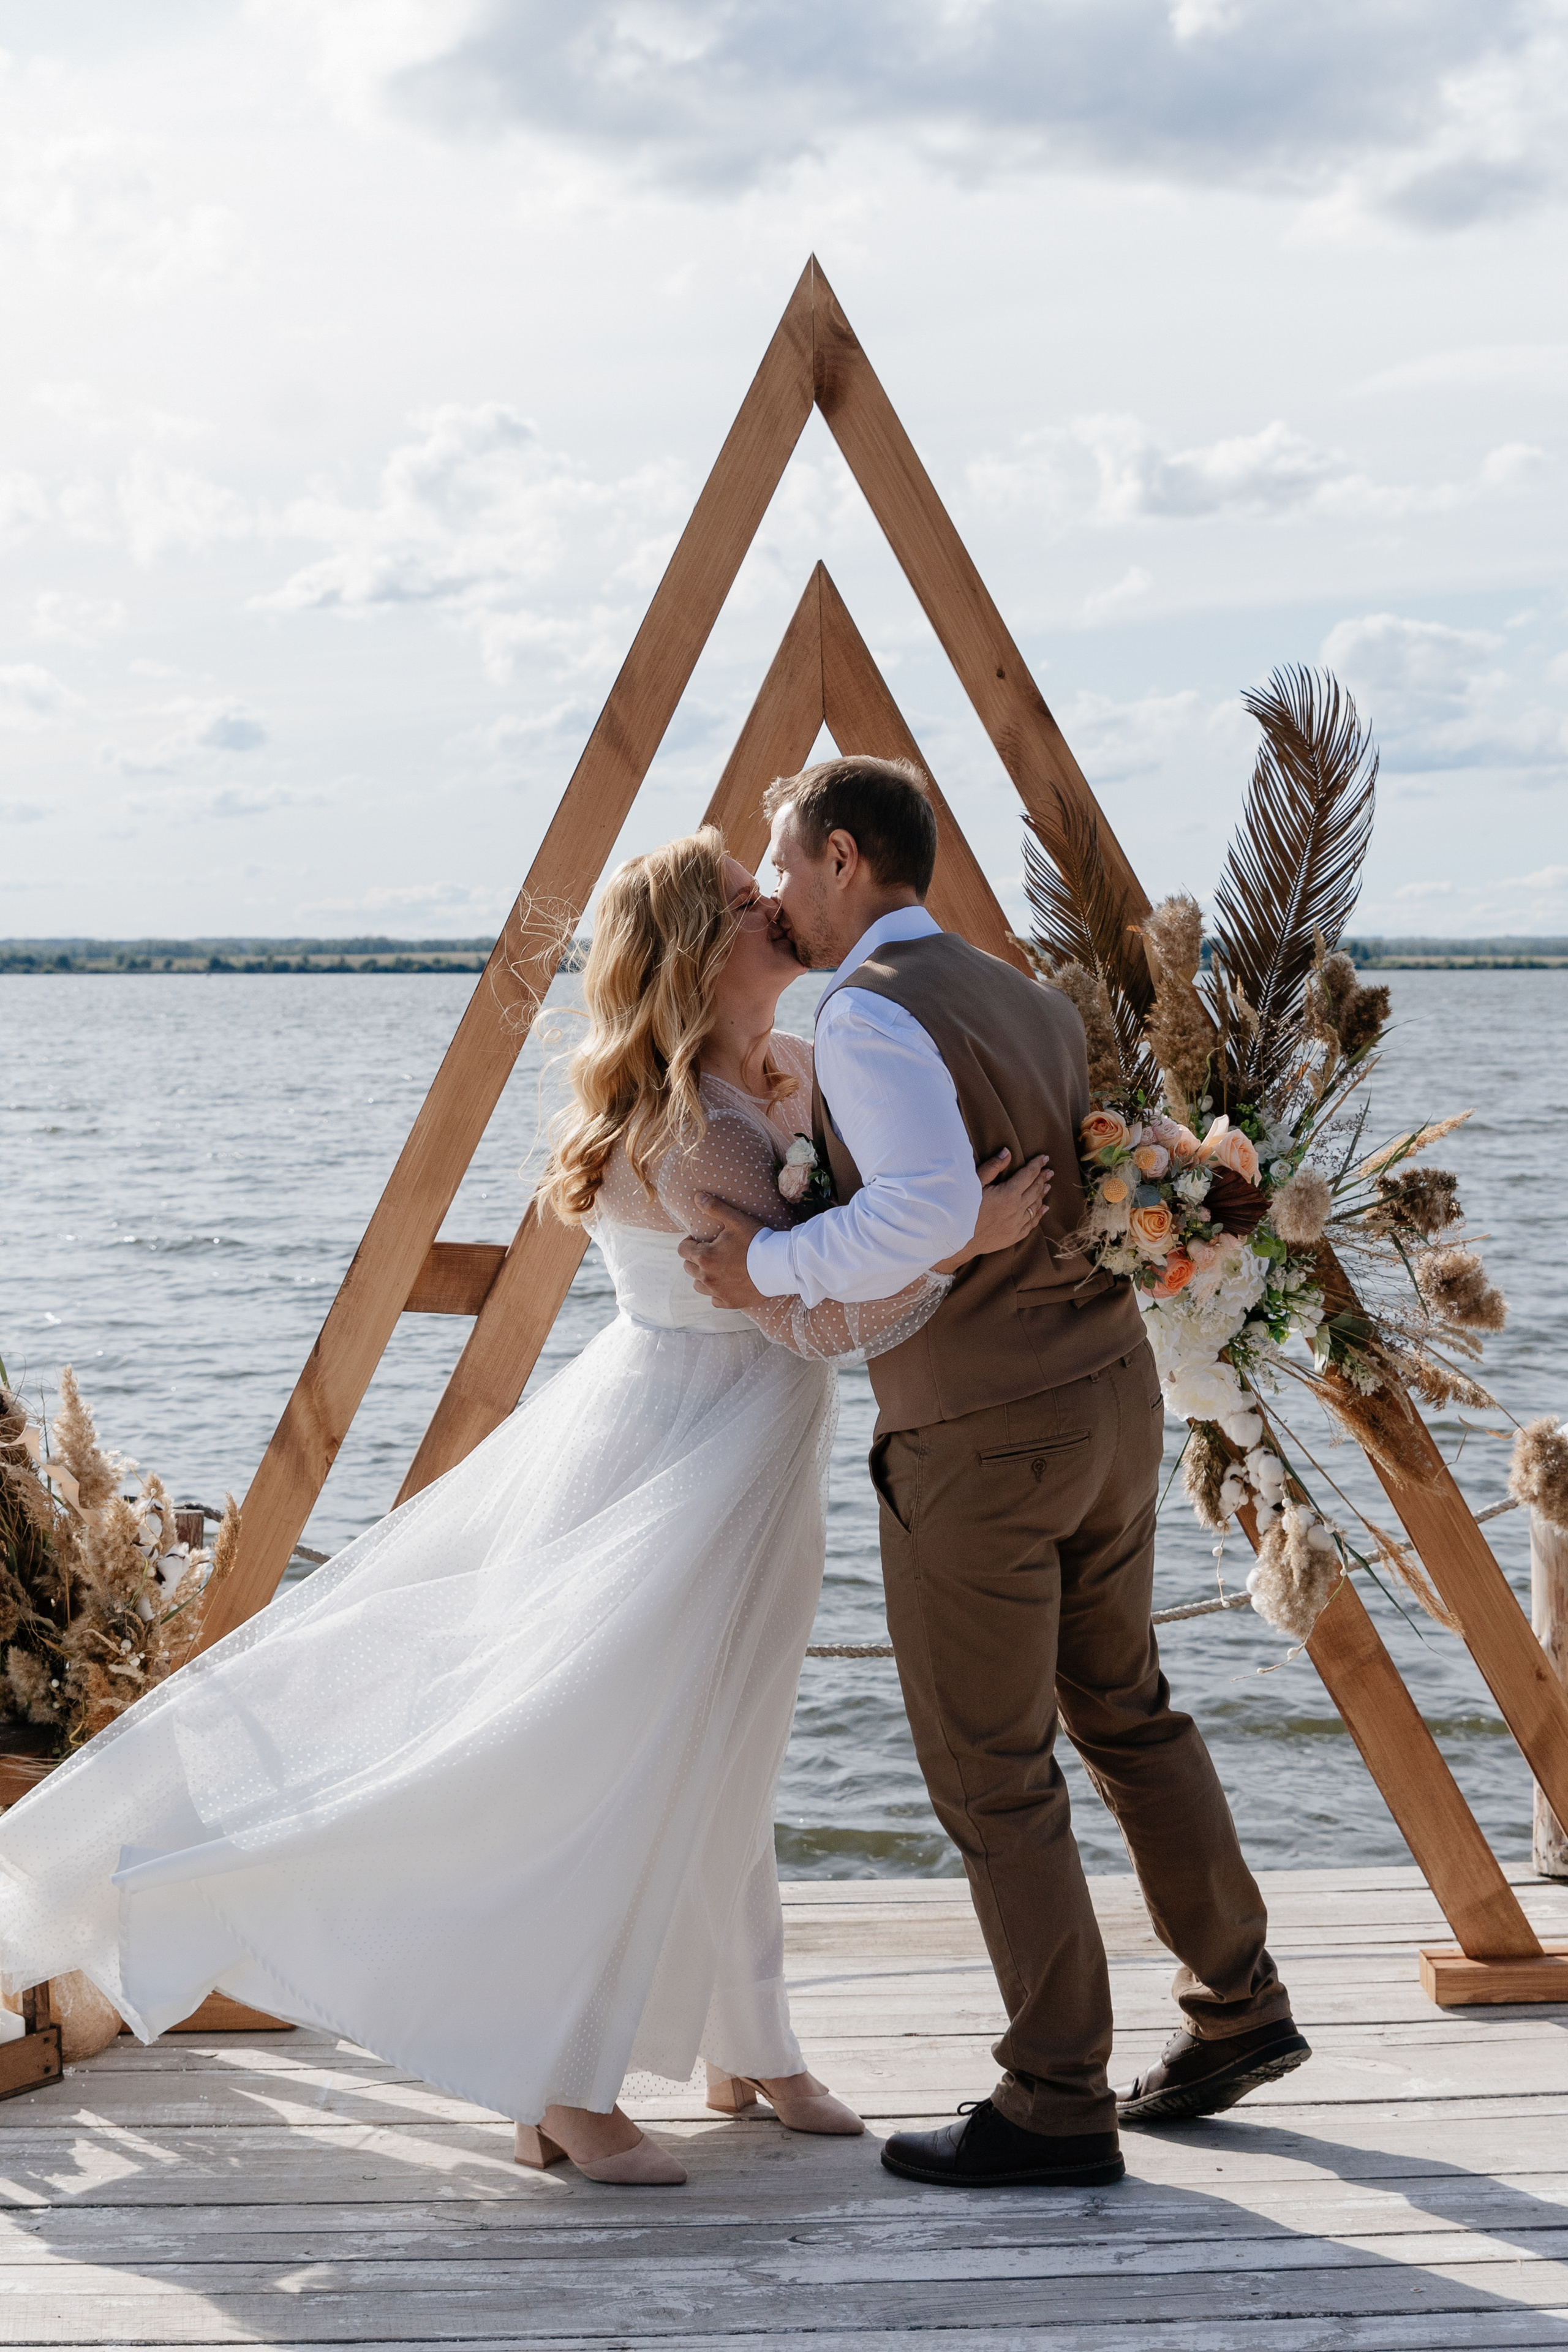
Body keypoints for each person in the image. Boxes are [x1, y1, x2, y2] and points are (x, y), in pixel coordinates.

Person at [0, 826, 1047, 2190]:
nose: (776, 912)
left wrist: (855, 1157)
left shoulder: (760, 1083)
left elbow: (810, 1275)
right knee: (620, 1766)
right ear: (689, 951)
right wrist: (968, 1234)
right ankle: (561, 2086)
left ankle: (751, 2047)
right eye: (746, 903)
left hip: (736, 1444)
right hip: (688, 1454)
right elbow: (824, 1317)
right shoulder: (700, 1130)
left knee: (733, 1759)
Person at [682, 756, 1311, 2191]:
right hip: (1104, 1401)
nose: (775, 895)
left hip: (983, 1435)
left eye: (783, 865)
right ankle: (1237, 2003)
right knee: (1125, 1708)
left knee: (990, 1768)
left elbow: (920, 1211)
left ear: (842, 859)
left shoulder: (863, 1014)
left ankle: (1051, 2097)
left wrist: (761, 1260)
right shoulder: (1020, 996)